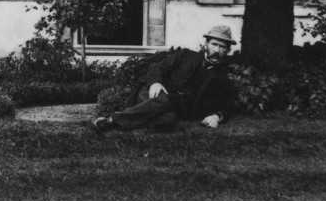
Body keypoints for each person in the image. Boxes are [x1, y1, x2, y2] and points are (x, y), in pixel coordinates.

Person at [92, 25, 236, 133]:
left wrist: (217, 117)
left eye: (222, 47)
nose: (217, 50)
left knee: (168, 122)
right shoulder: (185, 55)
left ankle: (137, 116)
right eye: (214, 44)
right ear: (206, 44)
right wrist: (155, 82)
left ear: (228, 50)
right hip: (152, 93)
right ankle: (111, 120)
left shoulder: (222, 77)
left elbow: (227, 104)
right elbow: (157, 67)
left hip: (174, 108)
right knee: (164, 99)